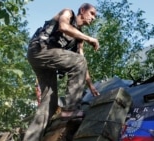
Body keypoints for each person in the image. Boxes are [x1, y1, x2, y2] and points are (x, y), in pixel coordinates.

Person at [23, 3, 100, 141]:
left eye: (95, 16)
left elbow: (82, 62)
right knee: (78, 61)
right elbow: (63, 27)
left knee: (50, 104)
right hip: (39, 49)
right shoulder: (67, 13)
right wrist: (90, 38)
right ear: (82, 10)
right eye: (92, 13)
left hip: (46, 62)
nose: (93, 18)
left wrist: (91, 86)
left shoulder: (79, 38)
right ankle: (70, 109)